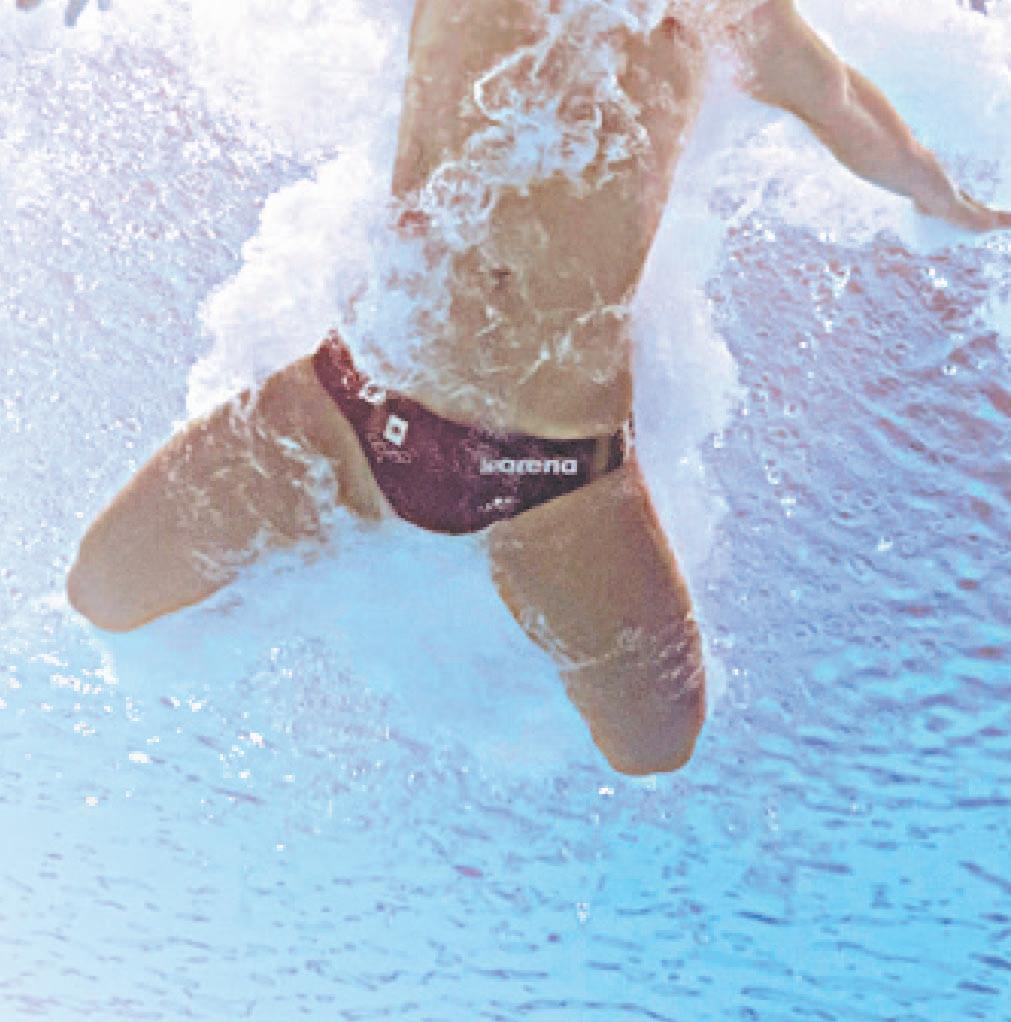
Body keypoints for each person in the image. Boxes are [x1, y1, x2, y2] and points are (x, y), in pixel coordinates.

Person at [66, 0, 1011, 775]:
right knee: (103, 590)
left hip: (554, 477)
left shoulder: (731, 15)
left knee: (654, 743)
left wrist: (942, 199)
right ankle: (334, 565)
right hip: (350, 412)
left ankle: (467, 588)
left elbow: (844, 108)